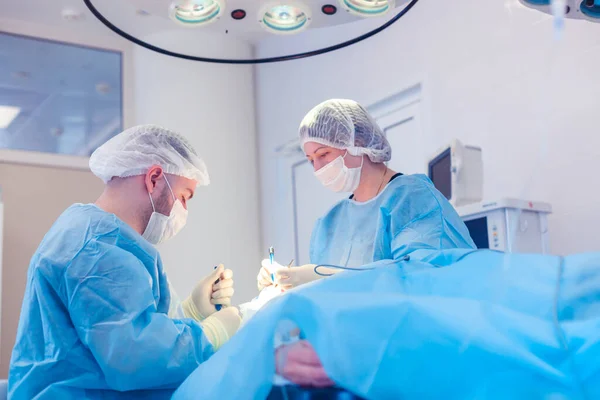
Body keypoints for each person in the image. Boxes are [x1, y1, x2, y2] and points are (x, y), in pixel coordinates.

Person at [8, 125, 241, 399]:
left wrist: (191, 311)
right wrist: (210, 334)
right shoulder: (97, 251)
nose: (184, 211)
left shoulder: (95, 237)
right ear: (154, 178)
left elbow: (121, 330)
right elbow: (134, 356)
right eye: (183, 197)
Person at [258, 99, 476, 291]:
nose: (318, 167)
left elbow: (422, 278)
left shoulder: (413, 199)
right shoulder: (328, 224)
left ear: (357, 143)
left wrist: (320, 277)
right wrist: (291, 284)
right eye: (311, 160)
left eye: (323, 154)